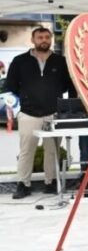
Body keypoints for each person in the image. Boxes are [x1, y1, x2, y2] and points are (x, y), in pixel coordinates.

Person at [6, 27, 74, 199]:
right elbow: (10, 86)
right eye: (40, 37)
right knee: (26, 150)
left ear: (50, 39)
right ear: (33, 39)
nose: (43, 40)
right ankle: (23, 184)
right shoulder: (19, 61)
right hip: (28, 113)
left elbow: (69, 85)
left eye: (46, 37)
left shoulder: (60, 61)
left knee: (52, 151)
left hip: (53, 114)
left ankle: (50, 183)